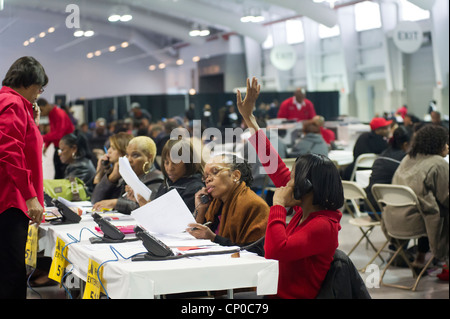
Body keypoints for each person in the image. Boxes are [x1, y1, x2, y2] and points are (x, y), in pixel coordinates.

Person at [237, 77, 344, 298]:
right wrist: (249, 118)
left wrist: (277, 205)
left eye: (294, 176)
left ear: (307, 186)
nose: (288, 182)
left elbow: (275, 250)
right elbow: (273, 164)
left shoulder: (324, 225)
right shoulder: (306, 210)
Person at [0, 56, 47, 299]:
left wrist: (32, 124)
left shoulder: (10, 102)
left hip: (9, 199)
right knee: (11, 274)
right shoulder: (13, 103)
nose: (40, 93)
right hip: (10, 201)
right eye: (40, 87)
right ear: (29, 82)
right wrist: (30, 197)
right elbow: (9, 153)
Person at [389, 125, 449, 279]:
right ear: (438, 144)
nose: (447, 146)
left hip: (394, 220)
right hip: (418, 222)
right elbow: (446, 198)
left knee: (427, 206)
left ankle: (420, 259)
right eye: (445, 143)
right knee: (436, 211)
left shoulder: (407, 158)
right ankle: (444, 262)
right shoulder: (438, 163)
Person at [187, 153, 269, 256]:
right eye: (206, 176)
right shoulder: (215, 203)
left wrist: (214, 238)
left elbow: (255, 252)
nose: (208, 179)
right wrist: (201, 209)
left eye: (215, 172)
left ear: (235, 176)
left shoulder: (255, 205)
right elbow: (198, 238)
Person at [92, 136, 164, 214]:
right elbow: (96, 200)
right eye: (127, 155)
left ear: (149, 157)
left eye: (135, 155)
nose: (129, 159)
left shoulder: (156, 179)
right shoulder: (128, 176)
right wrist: (112, 178)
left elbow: (149, 208)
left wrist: (116, 203)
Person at [365, 126, 412, 214]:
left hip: (370, 207)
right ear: (406, 144)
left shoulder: (383, 154)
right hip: (387, 210)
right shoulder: (404, 160)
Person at [38, 98, 75, 179]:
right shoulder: (52, 114)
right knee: (58, 172)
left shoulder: (59, 114)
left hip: (66, 149)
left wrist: (41, 137)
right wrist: (47, 145)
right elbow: (53, 132)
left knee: (63, 173)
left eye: (41, 110)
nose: (41, 113)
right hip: (60, 147)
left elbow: (58, 134)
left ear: (47, 105)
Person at [91, 132, 134, 198]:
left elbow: (97, 198)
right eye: (109, 147)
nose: (108, 151)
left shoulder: (129, 174)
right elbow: (95, 198)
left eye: (113, 148)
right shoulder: (112, 170)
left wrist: (112, 177)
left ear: (124, 152)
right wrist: (99, 172)